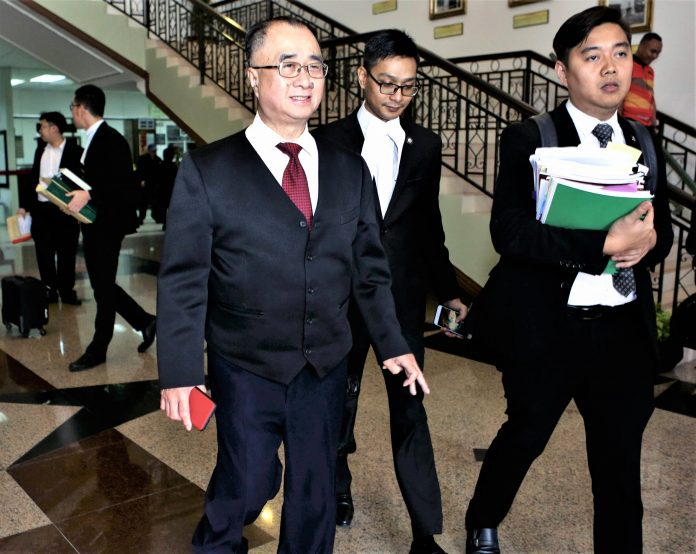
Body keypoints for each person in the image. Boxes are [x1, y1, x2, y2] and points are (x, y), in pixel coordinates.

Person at [156, 17, 429, 554]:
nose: (305, 78)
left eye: (314, 66)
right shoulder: (208, 169)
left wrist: (393, 343)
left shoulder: (351, 170)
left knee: (315, 494)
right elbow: (184, 279)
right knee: (246, 484)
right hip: (246, 365)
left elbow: (369, 270)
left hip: (324, 365)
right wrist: (181, 373)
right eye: (287, 65)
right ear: (252, 76)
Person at [464, 7, 673, 553]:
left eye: (620, 53)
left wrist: (648, 244)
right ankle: (483, 518)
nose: (611, 67)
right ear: (563, 69)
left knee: (620, 466)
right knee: (526, 436)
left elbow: (663, 232)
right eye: (592, 55)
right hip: (550, 328)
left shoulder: (644, 141)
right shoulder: (530, 137)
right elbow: (509, 232)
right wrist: (601, 245)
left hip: (622, 330)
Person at [314, 29, 465, 554]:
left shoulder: (426, 145)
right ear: (362, 77)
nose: (397, 96)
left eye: (408, 86)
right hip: (340, 299)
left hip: (399, 301)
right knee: (341, 397)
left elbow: (428, 225)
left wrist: (449, 290)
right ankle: (338, 482)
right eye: (386, 84)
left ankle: (425, 533)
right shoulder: (327, 142)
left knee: (410, 408)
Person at [66, 85, 156, 372]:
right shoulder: (92, 139)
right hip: (95, 223)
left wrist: (89, 194)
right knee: (101, 285)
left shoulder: (111, 140)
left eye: (73, 107)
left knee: (102, 288)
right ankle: (145, 321)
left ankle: (98, 348)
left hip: (108, 226)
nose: (72, 112)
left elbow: (122, 187)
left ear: (82, 108)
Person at [21, 112, 82, 305]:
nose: (40, 130)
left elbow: (80, 182)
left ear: (54, 128)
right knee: (43, 253)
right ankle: (49, 290)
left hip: (64, 210)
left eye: (43, 126)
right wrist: (24, 205)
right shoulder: (40, 150)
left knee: (67, 252)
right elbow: (33, 178)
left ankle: (66, 290)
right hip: (41, 210)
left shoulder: (75, 151)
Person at [620, 32, 662, 127]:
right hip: (630, 122)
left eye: (658, 53)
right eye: (652, 51)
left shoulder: (650, 71)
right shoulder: (627, 64)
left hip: (647, 125)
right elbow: (618, 95)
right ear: (642, 46)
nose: (655, 56)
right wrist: (619, 123)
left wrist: (654, 122)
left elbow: (651, 96)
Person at [135, 143, 162, 224]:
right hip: (146, 182)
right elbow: (140, 170)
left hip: (154, 183)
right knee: (143, 201)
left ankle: (156, 216)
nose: (153, 152)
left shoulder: (158, 159)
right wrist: (141, 180)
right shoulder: (143, 159)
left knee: (155, 201)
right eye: (152, 151)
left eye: (155, 151)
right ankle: (141, 217)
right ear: (149, 151)